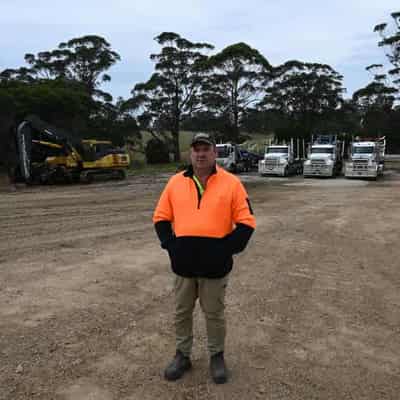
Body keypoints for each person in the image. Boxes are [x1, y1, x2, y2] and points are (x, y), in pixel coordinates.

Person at [153, 132, 256, 384]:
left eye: (205, 150)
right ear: (191, 154)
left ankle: (217, 356)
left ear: (214, 153)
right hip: (183, 265)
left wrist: (224, 250)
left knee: (214, 314)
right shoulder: (175, 182)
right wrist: (172, 247)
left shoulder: (231, 183)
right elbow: (161, 218)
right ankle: (182, 355)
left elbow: (246, 223)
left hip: (215, 266)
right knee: (181, 312)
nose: (200, 154)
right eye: (196, 150)